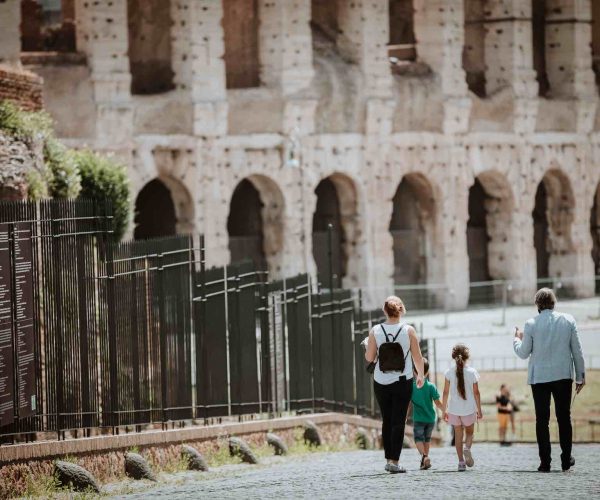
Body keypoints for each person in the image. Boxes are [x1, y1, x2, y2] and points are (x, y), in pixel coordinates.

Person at [514, 287, 585, 472]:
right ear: (554, 303)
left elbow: (523, 353)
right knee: (564, 418)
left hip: (540, 378)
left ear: (537, 304)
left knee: (542, 420)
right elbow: (577, 351)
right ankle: (565, 459)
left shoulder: (530, 324)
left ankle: (545, 462)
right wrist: (580, 376)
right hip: (563, 376)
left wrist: (516, 339)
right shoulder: (569, 320)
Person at [365, 295, 425, 474]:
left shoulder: (375, 330)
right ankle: (394, 461)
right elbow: (418, 357)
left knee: (387, 420)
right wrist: (420, 375)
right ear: (402, 310)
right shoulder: (409, 330)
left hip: (380, 381)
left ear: (385, 311)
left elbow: (369, 358)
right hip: (402, 381)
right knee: (399, 421)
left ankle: (388, 458)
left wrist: (368, 345)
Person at [442, 344, 483, 472]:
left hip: (454, 411)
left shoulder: (448, 372)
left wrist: (444, 410)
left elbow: (445, 392)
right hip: (469, 410)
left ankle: (460, 462)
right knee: (470, 433)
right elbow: (477, 393)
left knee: (458, 436)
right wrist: (479, 410)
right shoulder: (472, 372)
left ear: (454, 357)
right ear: (467, 357)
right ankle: (467, 448)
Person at [411, 358, 443, 470]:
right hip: (430, 419)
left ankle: (424, 457)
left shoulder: (412, 387)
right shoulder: (431, 386)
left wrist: (404, 417)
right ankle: (424, 461)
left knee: (418, 439)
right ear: (428, 372)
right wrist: (445, 411)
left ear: (414, 372)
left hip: (418, 419)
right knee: (427, 439)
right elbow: (438, 402)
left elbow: (407, 405)